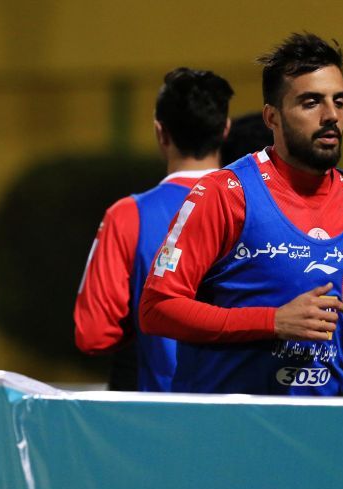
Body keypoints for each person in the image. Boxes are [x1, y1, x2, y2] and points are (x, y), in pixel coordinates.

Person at [139, 33, 343, 396]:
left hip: (332, 420)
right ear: (272, 117)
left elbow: (335, 305)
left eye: (339, 102)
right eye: (311, 102)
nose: (331, 116)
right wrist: (272, 321)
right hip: (236, 423)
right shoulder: (224, 194)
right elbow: (157, 308)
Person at [74, 68, 234, 391]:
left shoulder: (127, 216)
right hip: (248, 411)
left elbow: (93, 334)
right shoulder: (260, 207)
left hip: (161, 412)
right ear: (225, 129)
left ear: (161, 132)